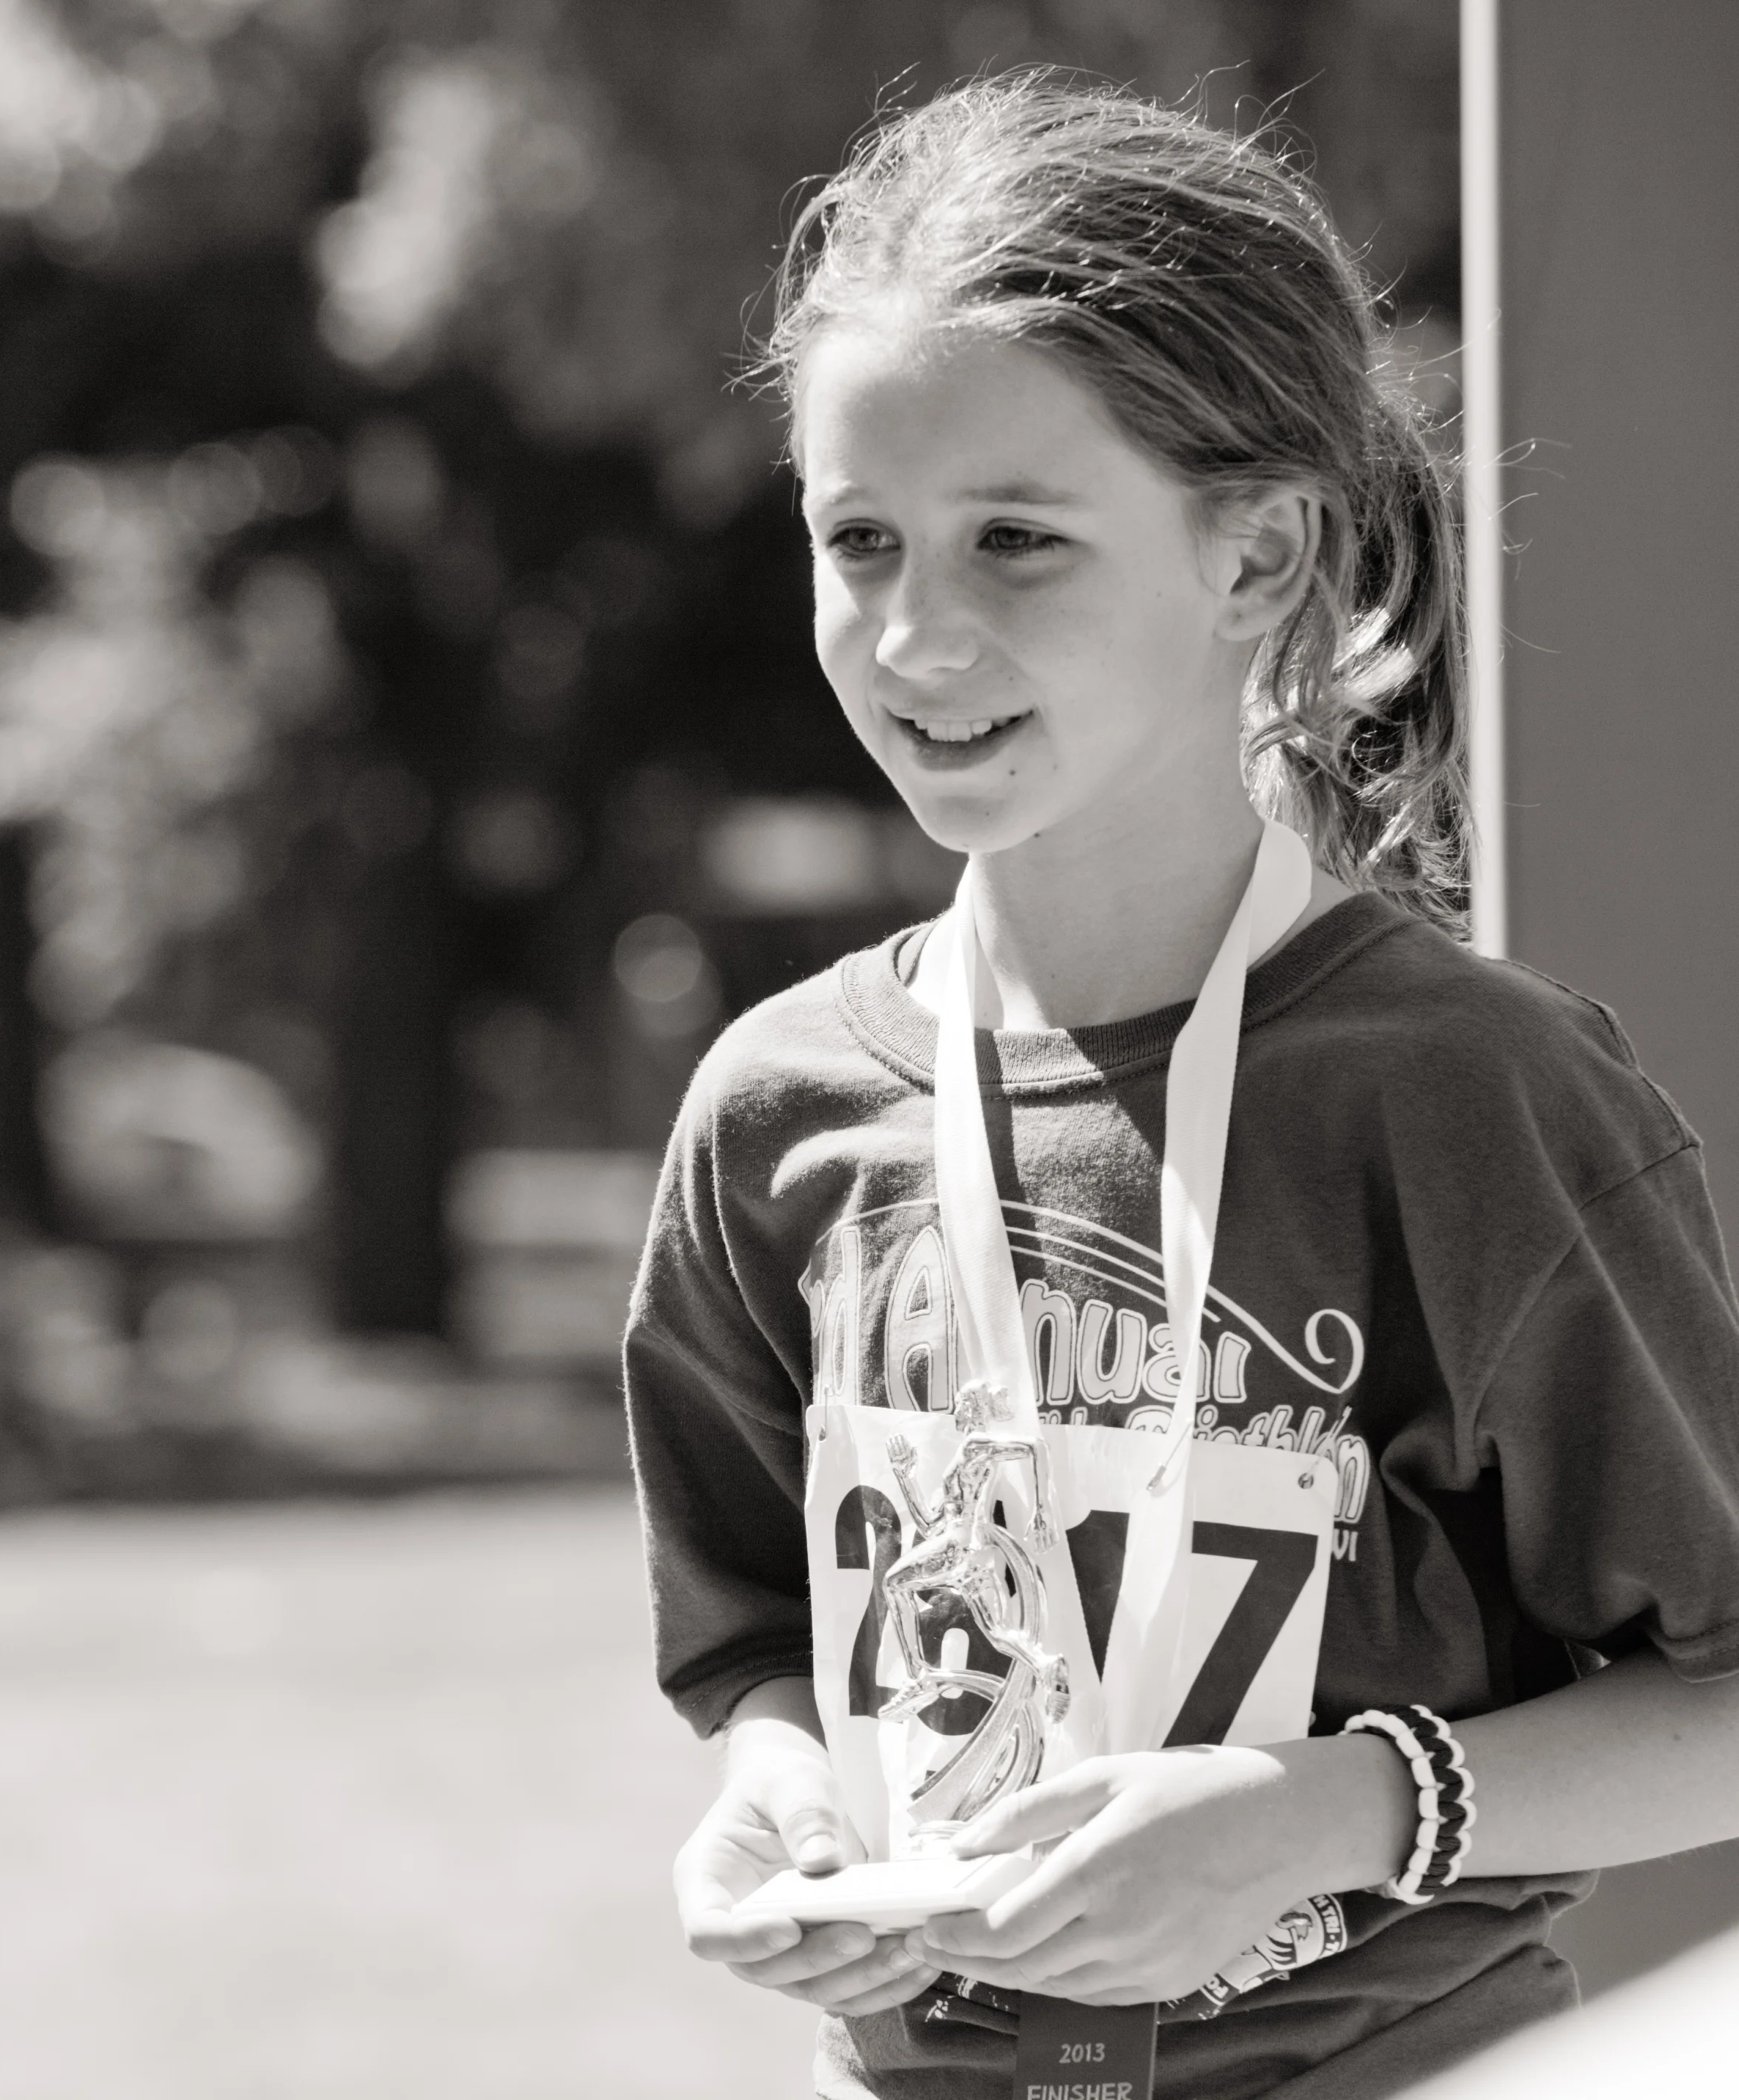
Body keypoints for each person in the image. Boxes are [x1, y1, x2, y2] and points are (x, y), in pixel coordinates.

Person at [623, 72, 1739, 2100]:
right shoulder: (780, 1114)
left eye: (1017, 541)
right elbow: (764, 1645)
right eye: (859, 539)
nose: (914, 634)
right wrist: (776, 1800)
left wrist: (1327, 1812)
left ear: (1259, 558)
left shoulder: (1476, 1098)